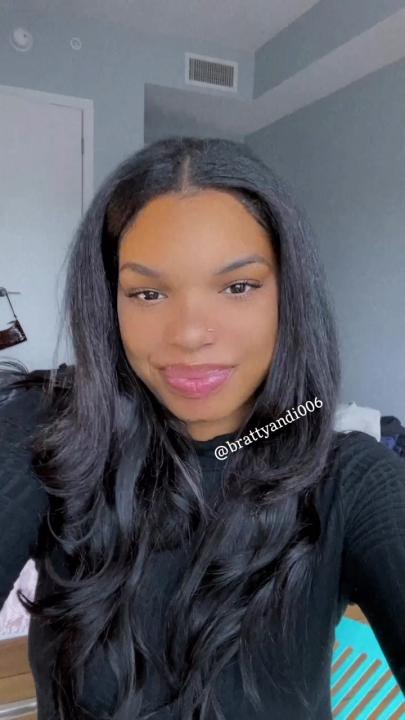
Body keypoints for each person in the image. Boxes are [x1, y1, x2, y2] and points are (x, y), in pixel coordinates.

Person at [0, 135, 404, 720]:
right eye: (148, 292)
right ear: (110, 303)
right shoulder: (52, 433)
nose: (189, 333)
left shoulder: (351, 480)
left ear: (290, 296)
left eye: (238, 287)